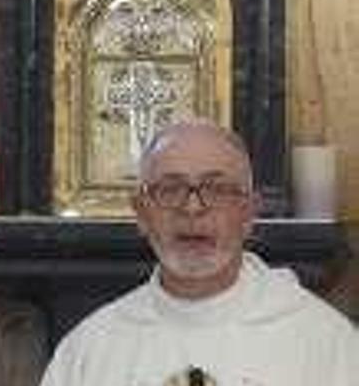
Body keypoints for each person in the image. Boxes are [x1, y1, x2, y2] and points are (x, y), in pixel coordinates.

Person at [39, 120, 357, 386]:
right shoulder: (90, 350)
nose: (192, 208)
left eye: (217, 189)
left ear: (249, 213)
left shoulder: (325, 343)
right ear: (141, 213)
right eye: (170, 188)